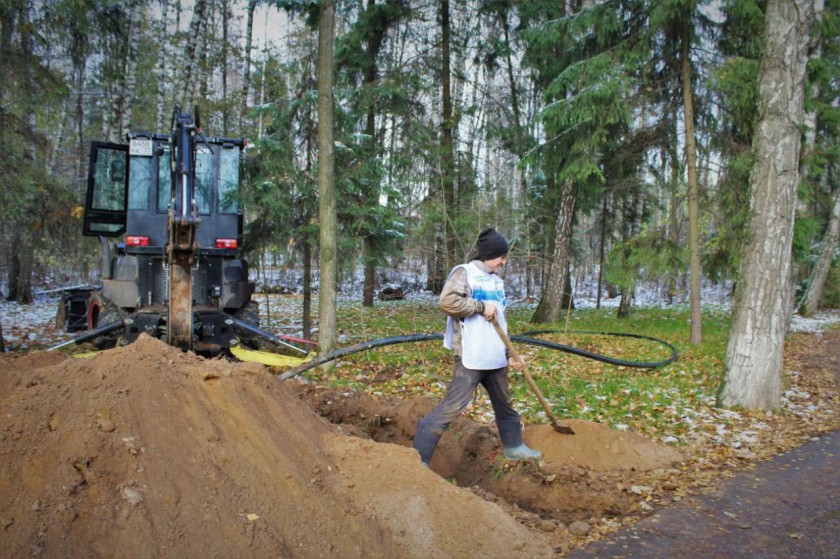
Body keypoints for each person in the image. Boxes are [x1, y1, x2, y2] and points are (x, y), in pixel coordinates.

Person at [413, 228, 542, 467]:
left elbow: (500, 322)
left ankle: (514, 447)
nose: (504, 261)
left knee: (505, 404)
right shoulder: (465, 273)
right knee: (451, 407)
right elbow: (448, 302)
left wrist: (509, 353)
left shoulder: (497, 282)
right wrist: (481, 307)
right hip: (471, 356)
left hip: (494, 356)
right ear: (489, 254)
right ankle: (418, 460)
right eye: (501, 256)